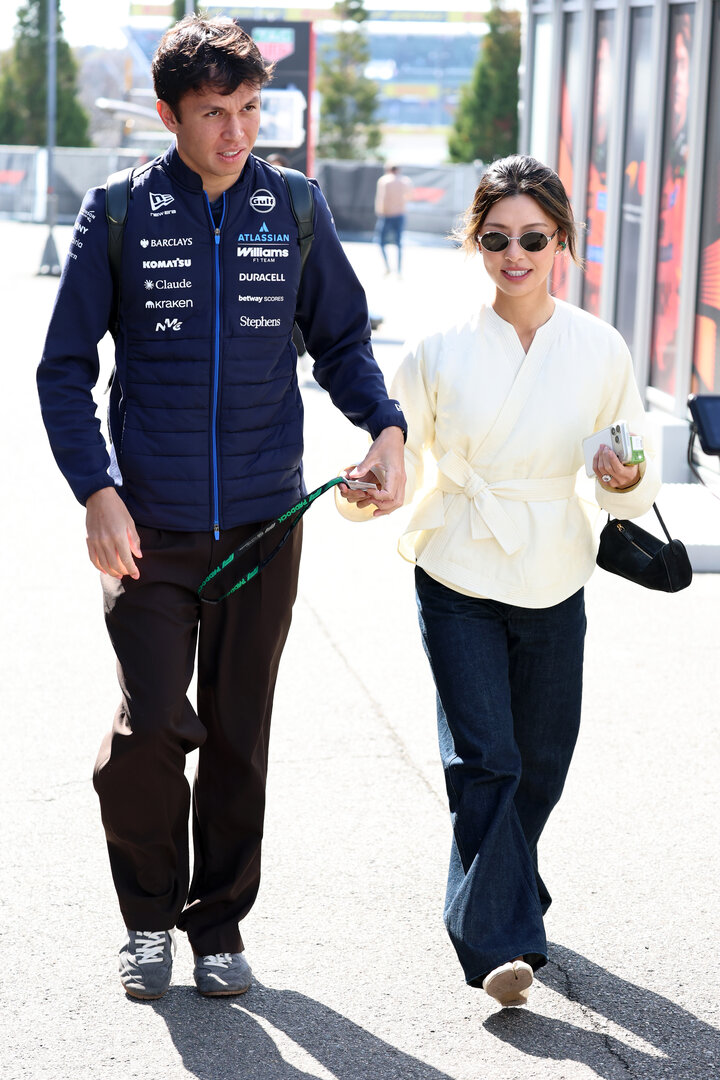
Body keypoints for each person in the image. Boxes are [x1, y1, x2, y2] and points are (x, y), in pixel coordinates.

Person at [36, 14, 406, 1002]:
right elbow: (64, 370)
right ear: (170, 115)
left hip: (263, 523)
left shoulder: (293, 207)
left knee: (242, 731)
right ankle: (147, 917)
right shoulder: (119, 214)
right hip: (148, 533)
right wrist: (97, 492)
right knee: (152, 723)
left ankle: (220, 925)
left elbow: (342, 340)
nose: (238, 132)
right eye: (214, 113)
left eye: (249, 109)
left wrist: (386, 426)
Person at [375, 155, 660, 1007]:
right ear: (476, 241)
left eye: (533, 237)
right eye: (496, 238)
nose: (515, 254)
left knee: (542, 762)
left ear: (561, 241)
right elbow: (399, 456)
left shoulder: (599, 346)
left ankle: (507, 884)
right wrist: (369, 483)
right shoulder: (438, 346)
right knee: (486, 757)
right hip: (457, 562)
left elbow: (636, 470)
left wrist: (620, 479)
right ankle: (499, 942)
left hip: (554, 568)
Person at [374, 164, 412, 276]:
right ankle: (399, 270)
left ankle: (388, 267)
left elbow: (381, 198)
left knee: (380, 241)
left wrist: (380, 211)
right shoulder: (405, 181)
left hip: (387, 215)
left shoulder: (384, 181)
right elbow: (409, 196)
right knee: (399, 243)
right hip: (400, 214)